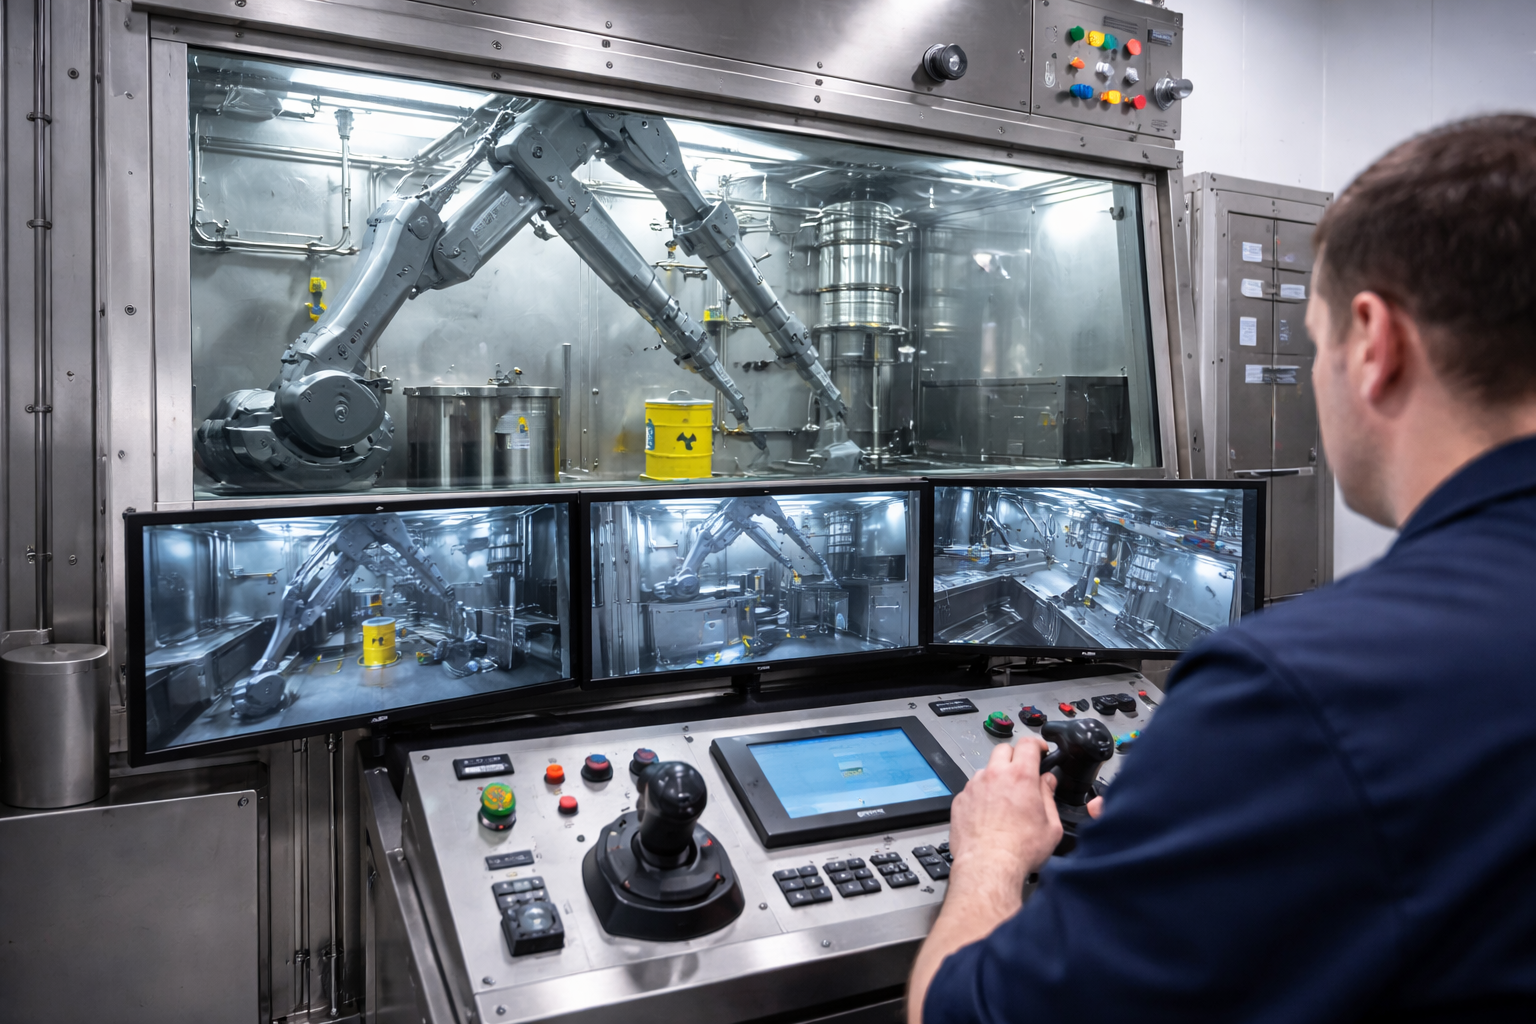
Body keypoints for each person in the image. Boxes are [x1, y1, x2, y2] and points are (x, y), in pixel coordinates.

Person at [908, 114, 1536, 1023]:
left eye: (1313, 344)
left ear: (1373, 342)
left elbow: (966, 1013)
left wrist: (992, 855)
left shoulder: (1294, 690)